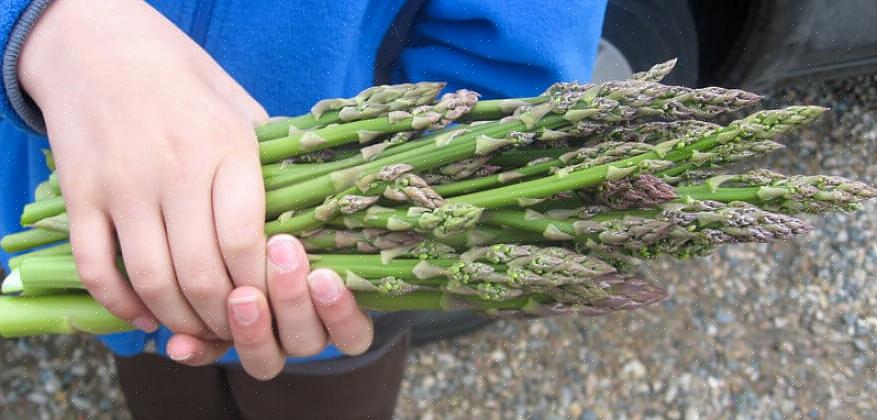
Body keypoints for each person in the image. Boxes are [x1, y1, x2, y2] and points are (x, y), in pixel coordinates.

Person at [0, 0, 607, 418]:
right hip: (98, 212)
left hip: (353, 251)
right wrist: (48, 25)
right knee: (160, 382)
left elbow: (509, 83)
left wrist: (361, 208)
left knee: (320, 400)